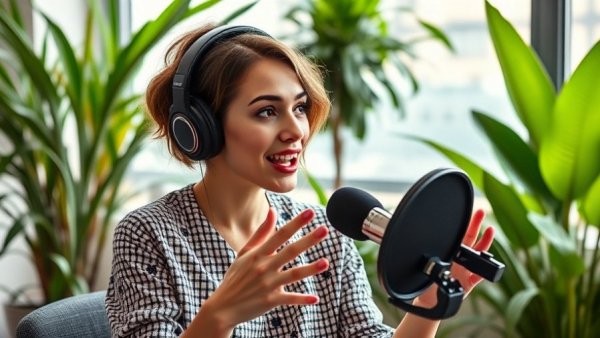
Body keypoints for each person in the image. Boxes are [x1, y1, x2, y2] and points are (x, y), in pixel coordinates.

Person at [105, 23, 495, 337]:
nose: (297, 130)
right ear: (200, 128)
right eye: (265, 112)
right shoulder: (147, 235)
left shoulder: (328, 231)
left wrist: (428, 304)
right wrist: (220, 317)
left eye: (300, 107)